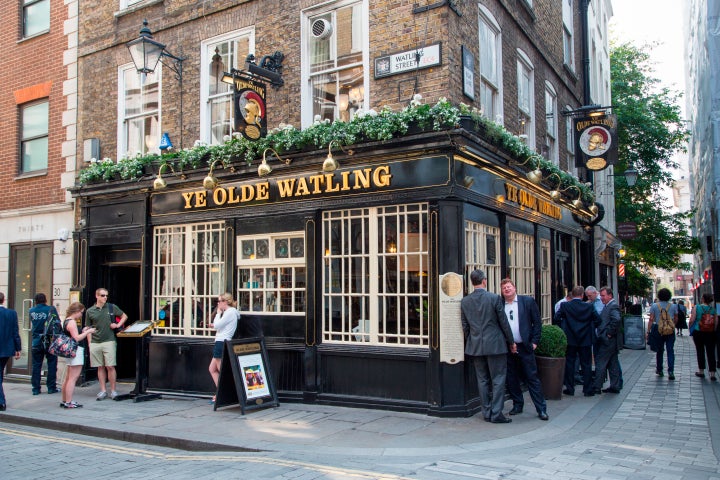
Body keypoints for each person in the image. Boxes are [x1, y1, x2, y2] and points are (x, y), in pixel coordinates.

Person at [461, 270, 516, 424]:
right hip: (496, 345)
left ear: (473, 282)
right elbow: (503, 322)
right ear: (484, 281)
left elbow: (465, 326)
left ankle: (486, 412)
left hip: (476, 345)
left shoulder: (465, 301)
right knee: (498, 379)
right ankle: (496, 413)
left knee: (482, 380)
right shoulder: (494, 298)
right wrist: (511, 342)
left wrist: (473, 339)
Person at [500, 278, 548, 421]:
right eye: (504, 288)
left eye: (509, 287)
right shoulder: (500, 304)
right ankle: (517, 404)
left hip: (525, 347)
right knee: (512, 378)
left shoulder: (527, 302)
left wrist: (534, 342)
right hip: (509, 348)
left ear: (514, 288)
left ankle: (541, 409)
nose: (507, 290)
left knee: (532, 378)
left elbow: (537, 323)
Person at [555, 285, 600, 396]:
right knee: (586, 364)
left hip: (570, 339)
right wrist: (590, 327)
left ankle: (570, 388)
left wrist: (564, 326)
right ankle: (588, 389)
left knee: (570, 363)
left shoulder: (565, 305)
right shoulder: (588, 307)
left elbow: (556, 318)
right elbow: (598, 320)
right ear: (582, 295)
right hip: (585, 339)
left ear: (573, 294)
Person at [86, 288, 127, 400]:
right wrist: (90, 343)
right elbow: (88, 328)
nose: (105, 297)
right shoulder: (90, 311)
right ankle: (103, 390)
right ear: (97, 296)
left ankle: (113, 390)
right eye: (103, 295)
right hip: (95, 341)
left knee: (110, 366)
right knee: (100, 367)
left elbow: (124, 316)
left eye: (106, 295)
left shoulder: (111, 307)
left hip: (109, 340)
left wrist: (118, 325)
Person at [59, 302, 96, 408]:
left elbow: (74, 334)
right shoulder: (72, 322)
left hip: (70, 351)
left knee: (68, 377)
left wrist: (83, 330)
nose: (81, 315)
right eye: (81, 312)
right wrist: (89, 332)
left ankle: (65, 400)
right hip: (76, 350)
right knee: (73, 378)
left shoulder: (67, 321)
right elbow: (77, 338)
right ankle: (69, 402)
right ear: (76, 311)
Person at [208, 292, 239, 402]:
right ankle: (220, 393)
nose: (218, 303)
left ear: (225, 302)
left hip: (221, 342)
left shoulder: (229, 312)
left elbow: (217, 325)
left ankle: (225, 394)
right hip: (222, 341)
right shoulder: (230, 313)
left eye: (219, 301)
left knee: (222, 371)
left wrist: (217, 313)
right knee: (212, 369)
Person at [29, 293, 61, 395]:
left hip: (36, 341)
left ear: (35, 300)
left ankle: (35, 389)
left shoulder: (31, 311)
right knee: (52, 364)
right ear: (45, 300)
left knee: (36, 365)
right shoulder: (50, 309)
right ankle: (51, 387)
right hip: (49, 340)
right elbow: (57, 323)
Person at [592, 287, 622, 394]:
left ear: (610, 296)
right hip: (610, 341)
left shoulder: (612, 306)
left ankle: (597, 386)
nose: (601, 298)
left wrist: (608, 333)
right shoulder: (608, 305)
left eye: (603, 295)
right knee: (612, 363)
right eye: (601, 295)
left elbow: (617, 319)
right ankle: (615, 385)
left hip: (607, 341)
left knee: (600, 362)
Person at [647, 288, 678, 380]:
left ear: (659, 296)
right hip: (670, 330)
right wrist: (672, 325)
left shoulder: (654, 306)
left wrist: (648, 331)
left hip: (658, 329)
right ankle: (671, 371)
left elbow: (651, 319)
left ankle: (660, 369)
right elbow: (676, 318)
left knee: (660, 350)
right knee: (670, 350)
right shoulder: (673, 306)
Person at [0, 292, 22, 412]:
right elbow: (15, 332)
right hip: (7, 349)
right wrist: (18, 348)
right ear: (3, 300)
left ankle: (1, 401)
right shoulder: (12, 313)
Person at [688, 293, 717, 381]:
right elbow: (716, 322)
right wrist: (713, 330)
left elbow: (692, 319)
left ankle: (701, 371)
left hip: (699, 332)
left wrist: (690, 328)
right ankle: (712, 374)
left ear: (703, 299)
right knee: (711, 352)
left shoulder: (697, 307)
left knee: (700, 351)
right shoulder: (713, 309)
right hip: (710, 333)